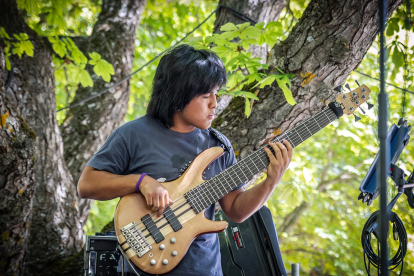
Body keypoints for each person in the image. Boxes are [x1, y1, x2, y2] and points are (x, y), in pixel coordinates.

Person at [77, 44, 293, 276]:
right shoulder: (133, 135)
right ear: (178, 95)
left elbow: (236, 211)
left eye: (216, 93)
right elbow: (87, 185)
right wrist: (141, 182)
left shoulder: (218, 145)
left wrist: (270, 181)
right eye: (205, 95)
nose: (214, 102)